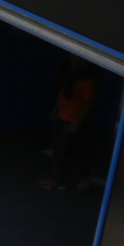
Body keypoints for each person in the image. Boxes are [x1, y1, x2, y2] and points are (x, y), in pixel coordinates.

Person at [44, 56, 99, 191]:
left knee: (69, 151)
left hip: (73, 120)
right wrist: (55, 110)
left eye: (76, 58)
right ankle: (58, 179)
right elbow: (62, 93)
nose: (73, 59)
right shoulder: (71, 72)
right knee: (57, 149)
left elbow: (88, 104)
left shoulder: (88, 80)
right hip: (61, 116)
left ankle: (84, 175)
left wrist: (77, 123)